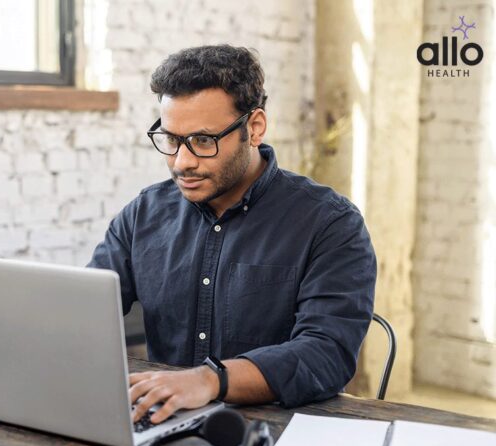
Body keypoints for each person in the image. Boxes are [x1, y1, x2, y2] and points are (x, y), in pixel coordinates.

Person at [87, 44, 377, 426]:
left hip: (276, 428)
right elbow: (86, 312)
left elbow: (326, 355)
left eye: (204, 141)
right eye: (172, 139)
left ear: (254, 128)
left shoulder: (330, 224)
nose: (182, 162)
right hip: (158, 421)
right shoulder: (144, 214)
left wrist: (209, 380)